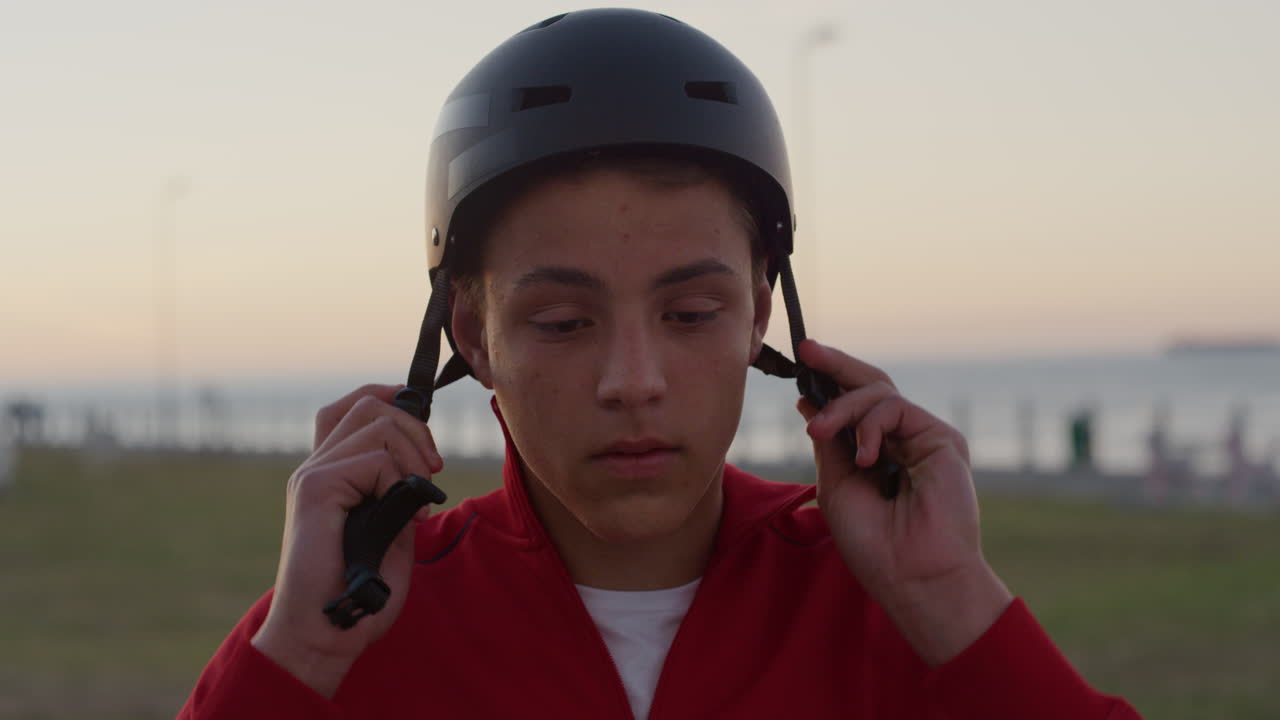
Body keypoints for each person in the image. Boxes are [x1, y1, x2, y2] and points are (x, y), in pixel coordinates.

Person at [178, 9, 1140, 719]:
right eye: (563, 321)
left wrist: (948, 596)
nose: (632, 380)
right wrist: (298, 651)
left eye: (690, 313)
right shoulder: (354, 620)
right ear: (472, 336)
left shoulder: (892, 606)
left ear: (759, 317)